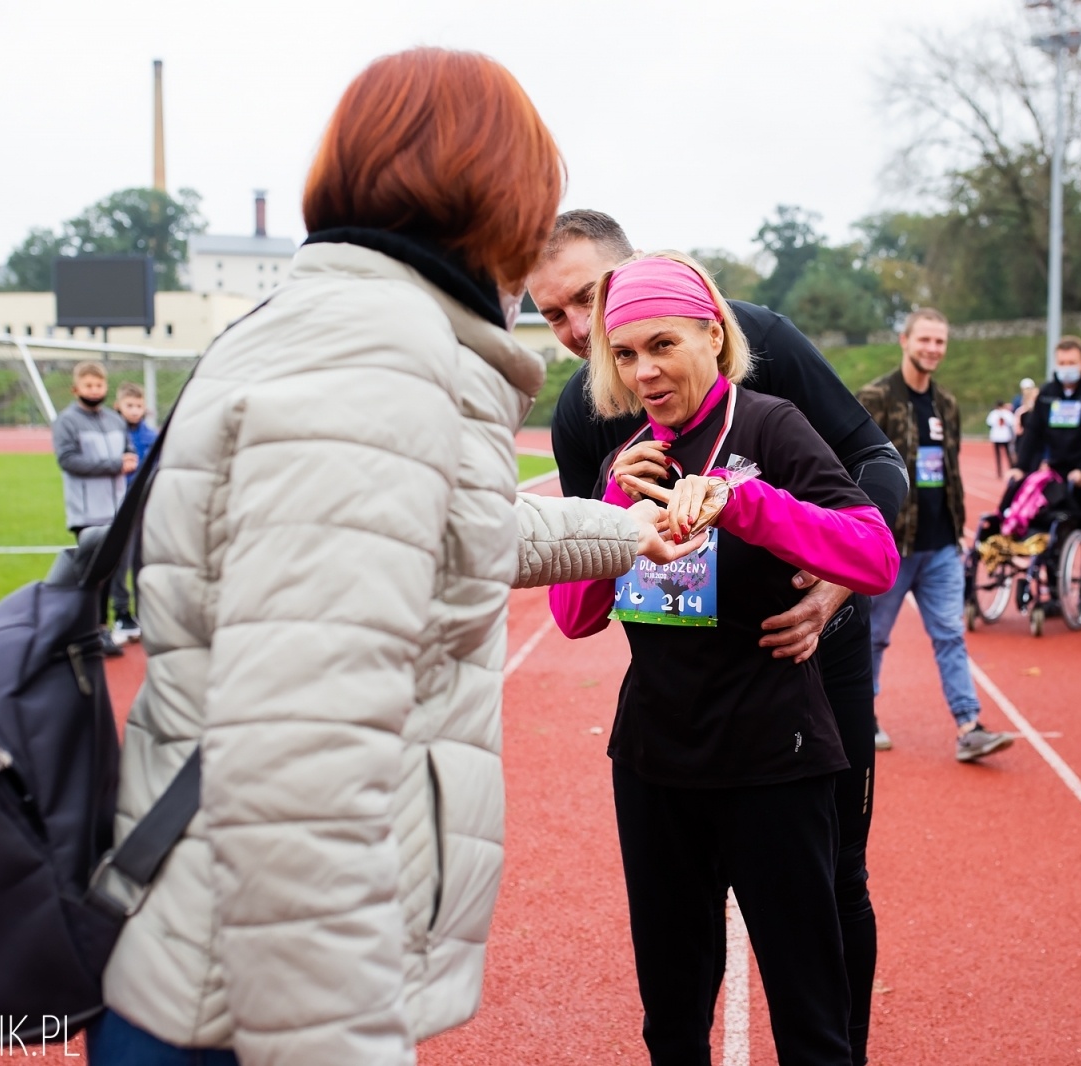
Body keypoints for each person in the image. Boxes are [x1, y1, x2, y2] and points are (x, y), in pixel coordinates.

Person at [91, 48, 698, 1064]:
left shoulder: (340, 326)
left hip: (217, 960)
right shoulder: (373, 360)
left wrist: (629, 530)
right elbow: (299, 759)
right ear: (497, 194)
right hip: (247, 1000)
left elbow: (456, 529)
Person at [529, 209, 906, 1064]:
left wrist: (748, 506)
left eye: (658, 343)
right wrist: (615, 511)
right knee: (670, 1007)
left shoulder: (769, 419)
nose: (634, 364)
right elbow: (575, 614)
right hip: (660, 752)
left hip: (779, 734)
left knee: (813, 978)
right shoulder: (608, 436)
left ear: (712, 331)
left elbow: (873, 541)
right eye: (620, 353)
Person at [858, 309, 1015, 762]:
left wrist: (959, 525)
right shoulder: (876, 397)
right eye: (925, 340)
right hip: (892, 542)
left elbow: (949, 471)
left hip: (941, 542)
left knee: (951, 634)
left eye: (940, 342)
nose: (933, 349)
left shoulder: (946, 402)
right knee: (875, 636)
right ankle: (863, 715)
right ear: (905, 340)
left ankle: (969, 725)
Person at [52, 361, 135, 657]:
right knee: (92, 575)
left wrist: (129, 459)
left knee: (113, 573)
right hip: (87, 512)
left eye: (99, 386)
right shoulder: (67, 422)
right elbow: (68, 460)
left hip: (116, 509)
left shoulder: (115, 420)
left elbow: (128, 450)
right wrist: (114, 465)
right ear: (76, 389)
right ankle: (89, 629)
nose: (94, 391)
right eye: (88, 386)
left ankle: (103, 626)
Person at [1011, 337, 1081, 540]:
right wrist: (1021, 466)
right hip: (1056, 471)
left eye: (1071, 363)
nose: (1066, 368)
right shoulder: (1047, 393)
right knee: (1051, 527)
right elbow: (1034, 433)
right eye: (1062, 363)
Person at [109, 381, 157, 644]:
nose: (135, 410)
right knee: (121, 561)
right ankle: (121, 612)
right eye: (130, 405)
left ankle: (144, 613)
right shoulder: (113, 433)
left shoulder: (151, 436)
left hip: (144, 505)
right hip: (119, 506)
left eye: (139, 405)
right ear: (119, 407)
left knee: (143, 560)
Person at [987, 400, 1016, 476]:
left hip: (999, 436)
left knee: (999, 455)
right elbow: (1012, 423)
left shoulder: (993, 413)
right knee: (1008, 454)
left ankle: (1000, 471)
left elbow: (989, 424)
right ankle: (1010, 469)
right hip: (1003, 436)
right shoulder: (1007, 413)